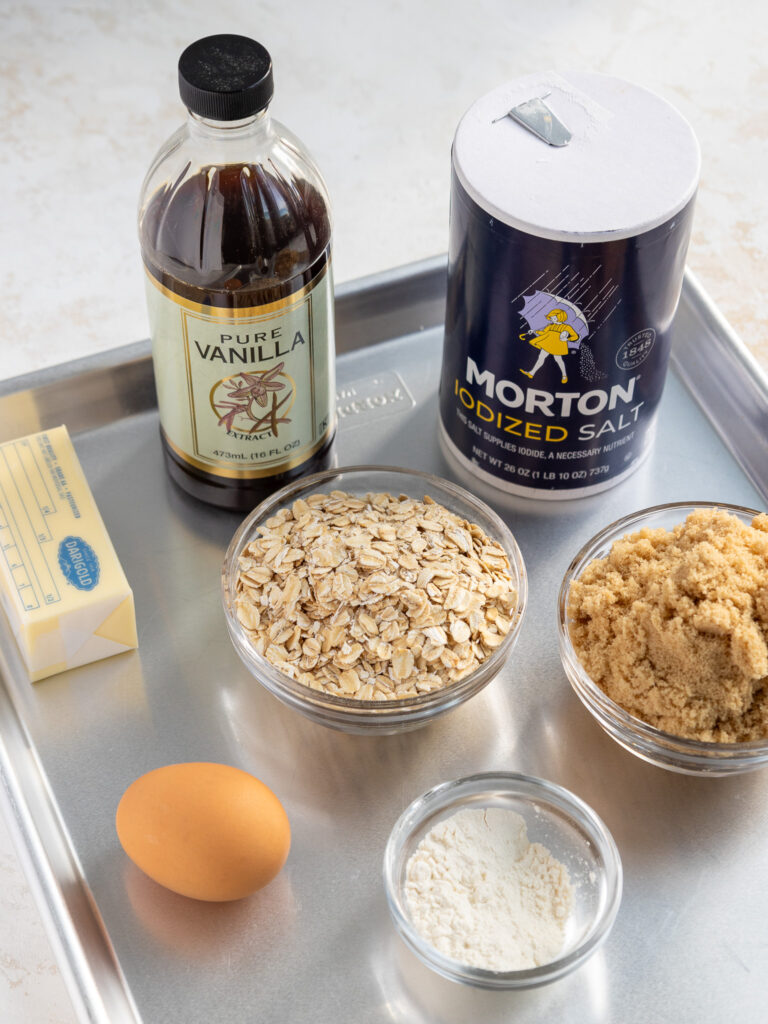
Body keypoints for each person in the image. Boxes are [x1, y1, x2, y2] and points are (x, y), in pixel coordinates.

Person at [520, 308, 578, 384]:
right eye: (551, 318)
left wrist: (567, 338)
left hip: (557, 345)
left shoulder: (567, 327)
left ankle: (564, 375)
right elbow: (543, 333)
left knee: (558, 360)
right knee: (541, 358)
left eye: (553, 318)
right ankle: (531, 373)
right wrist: (534, 331)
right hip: (548, 344)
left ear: (560, 317)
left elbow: (575, 336)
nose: (552, 319)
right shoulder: (550, 326)